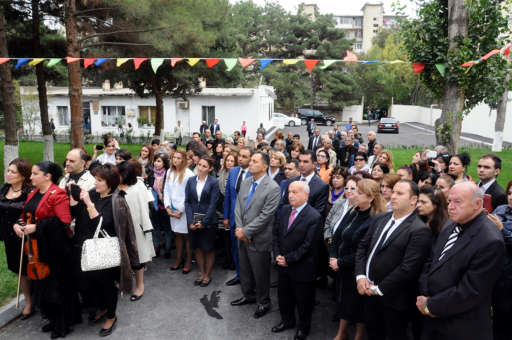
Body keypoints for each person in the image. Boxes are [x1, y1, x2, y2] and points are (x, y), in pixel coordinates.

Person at [417, 182, 505, 340]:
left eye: (458, 202)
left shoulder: (490, 240)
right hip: (432, 320)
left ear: (478, 204)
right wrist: (424, 292)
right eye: (449, 201)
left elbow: (471, 291)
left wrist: (431, 305)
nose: (450, 206)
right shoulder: (451, 223)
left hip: (461, 327)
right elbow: (432, 260)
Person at [355, 180, 432, 340]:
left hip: (393, 300)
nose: (393, 196)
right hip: (367, 292)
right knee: (373, 332)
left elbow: (408, 268)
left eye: (400, 193)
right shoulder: (380, 218)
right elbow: (363, 247)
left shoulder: (419, 230)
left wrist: (379, 288)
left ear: (413, 200)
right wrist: (361, 276)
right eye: (394, 192)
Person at [69, 163, 139, 337]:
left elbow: (102, 223)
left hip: (107, 249)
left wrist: (87, 202)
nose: (95, 183)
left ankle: (111, 316)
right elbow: (78, 214)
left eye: (99, 180)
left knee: (107, 285)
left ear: (110, 182)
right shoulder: (93, 194)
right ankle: (102, 307)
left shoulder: (117, 200)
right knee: (91, 282)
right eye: (95, 179)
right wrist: (74, 196)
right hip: (89, 247)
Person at [13, 161, 80, 338]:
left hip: (55, 249)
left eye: (35, 173)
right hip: (37, 248)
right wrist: (18, 225)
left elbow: (64, 222)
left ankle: (63, 324)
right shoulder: (34, 192)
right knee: (44, 286)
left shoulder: (58, 194)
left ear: (47, 176)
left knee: (57, 287)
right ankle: (52, 319)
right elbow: (27, 215)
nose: (31, 177)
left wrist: (37, 227)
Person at [330, 179, 386, 340]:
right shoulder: (353, 210)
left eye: (359, 192)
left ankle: (359, 335)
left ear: (371, 198)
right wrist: (333, 256)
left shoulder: (374, 219)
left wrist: (340, 262)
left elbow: (365, 251)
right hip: (341, 266)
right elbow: (338, 234)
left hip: (358, 269)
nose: (353, 194)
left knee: (359, 304)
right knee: (344, 301)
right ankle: (342, 332)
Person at [231, 151, 281, 319]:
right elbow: (238, 206)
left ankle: (264, 302)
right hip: (242, 236)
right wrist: (239, 229)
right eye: (250, 160)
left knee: (260, 274)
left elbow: (266, 216)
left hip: (259, 238)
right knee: (245, 269)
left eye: (254, 161)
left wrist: (245, 231)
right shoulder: (246, 182)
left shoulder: (273, 188)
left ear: (265, 166)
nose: (250, 163)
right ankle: (248, 295)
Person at [271, 181, 322, 340]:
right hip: (283, 264)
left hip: (302, 268)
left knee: (303, 301)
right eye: (289, 192)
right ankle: (287, 321)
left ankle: (303, 328)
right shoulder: (285, 210)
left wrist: (289, 259)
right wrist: (278, 255)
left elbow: (309, 246)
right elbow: (276, 235)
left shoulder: (314, 216)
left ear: (306, 195)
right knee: (284, 296)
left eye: (295, 192)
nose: (290, 195)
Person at [117, 161, 155, 301]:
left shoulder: (138, 185)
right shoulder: (114, 186)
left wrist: (144, 228)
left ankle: (139, 286)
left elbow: (145, 208)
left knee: (137, 259)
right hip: (118, 227)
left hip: (136, 228)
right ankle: (123, 283)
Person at [0, 158, 33, 319]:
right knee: (18, 270)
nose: (9, 174)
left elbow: (33, 212)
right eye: (8, 170)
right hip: (8, 236)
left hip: (26, 238)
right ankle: (28, 301)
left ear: (23, 176)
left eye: (13, 172)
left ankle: (40, 299)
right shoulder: (4, 188)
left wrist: (19, 223)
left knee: (31, 269)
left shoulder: (29, 192)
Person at [185, 156, 220, 287]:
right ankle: (202, 273)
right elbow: (187, 202)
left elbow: (213, 204)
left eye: (204, 166)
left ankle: (207, 275)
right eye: (199, 164)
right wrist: (190, 220)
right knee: (197, 248)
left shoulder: (214, 182)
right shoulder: (190, 181)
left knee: (208, 248)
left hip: (208, 221)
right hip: (193, 220)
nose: (200, 168)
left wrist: (204, 222)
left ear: (210, 168)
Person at [223, 147, 253, 286]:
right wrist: (226, 216)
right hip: (233, 218)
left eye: (245, 156)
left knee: (248, 250)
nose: (240, 158)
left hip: (249, 220)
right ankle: (239, 275)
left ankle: (249, 278)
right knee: (235, 248)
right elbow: (228, 195)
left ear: (251, 159)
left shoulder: (254, 174)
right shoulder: (234, 171)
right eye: (240, 156)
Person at [164, 149, 195, 273]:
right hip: (171, 209)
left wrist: (181, 210)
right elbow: (166, 190)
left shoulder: (189, 174)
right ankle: (178, 259)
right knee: (176, 234)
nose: (175, 160)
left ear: (183, 160)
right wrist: (167, 206)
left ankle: (188, 261)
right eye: (174, 158)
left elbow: (190, 195)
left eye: (178, 158)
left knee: (186, 236)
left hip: (183, 210)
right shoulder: (169, 171)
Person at [489, 180, 512, 340]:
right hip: (498, 272)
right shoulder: (502, 209)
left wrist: (502, 230)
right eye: (510, 193)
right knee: (498, 315)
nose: (511, 197)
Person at [281, 150, 329, 216]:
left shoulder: (322, 186)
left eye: (305, 162)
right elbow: (283, 205)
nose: (301, 165)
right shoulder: (291, 181)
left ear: (314, 164)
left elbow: (318, 214)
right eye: (300, 161)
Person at [147, 153, 172, 258]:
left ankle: (168, 248)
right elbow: (148, 188)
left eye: (159, 161)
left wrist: (161, 193)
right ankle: (156, 247)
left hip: (166, 205)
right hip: (155, 206)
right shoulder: (151, 174)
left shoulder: (168, 174)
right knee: (156, 228)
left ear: (164, 163)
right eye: (155, 161)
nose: (156, 164)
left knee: (167, 228)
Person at [324, 176, 360, 244]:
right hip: (330, 244)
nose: (348, 191)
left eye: (352, 188)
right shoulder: (339, 203)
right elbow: (327, 222)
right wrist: (328, 237)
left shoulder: (360, 207)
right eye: (346, 188)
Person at [218, 152, 238, 270]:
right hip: (222, 210)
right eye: (227, 160)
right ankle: (227, 258)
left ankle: (233, 261)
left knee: (233, 238)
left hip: (233, 211)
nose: (229, 163)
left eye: (232, 161)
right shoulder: (221, 173)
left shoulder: (237, 174)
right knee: (225, 236)